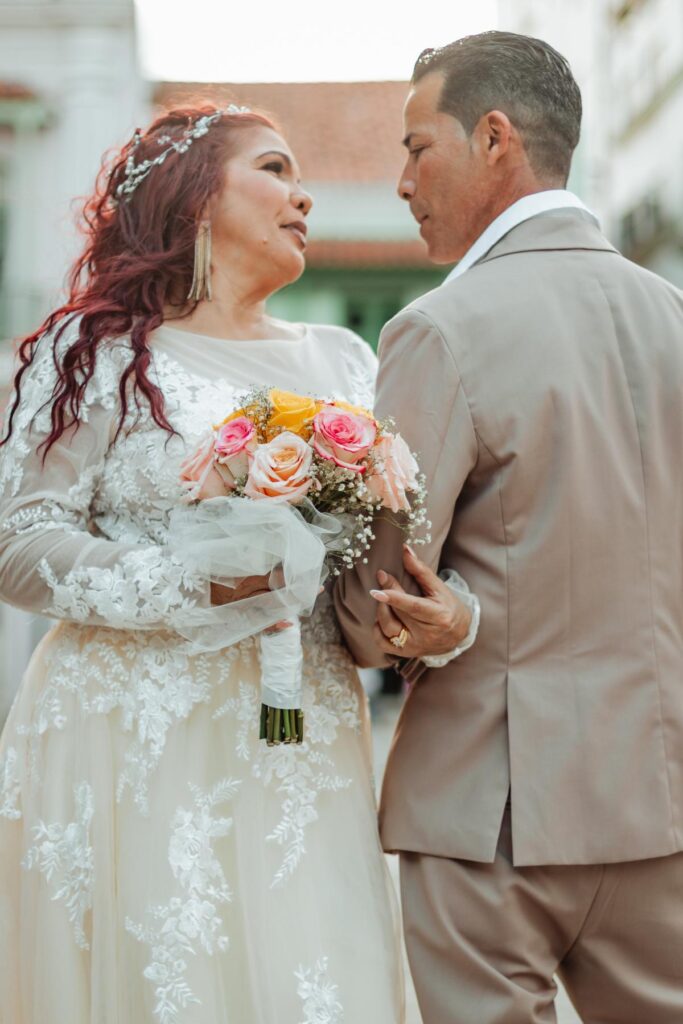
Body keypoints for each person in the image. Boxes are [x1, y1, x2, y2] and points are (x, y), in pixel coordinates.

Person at [0, 102, 467, 1023]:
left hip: (298, 742)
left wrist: (428, 620)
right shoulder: (94, 354)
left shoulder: (341, 363)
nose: (304, 197)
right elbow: (20, 544)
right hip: (130, 735)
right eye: (275, 169)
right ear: (195, 199)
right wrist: (202, 585)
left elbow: (374, 566)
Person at [334, 30, 683, 1024]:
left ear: (493, 138)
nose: (399, 179)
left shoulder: (439, 328)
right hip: (656, 801)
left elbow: (375, 605)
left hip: (491, 810)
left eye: (414, 147)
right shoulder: (669, 313)